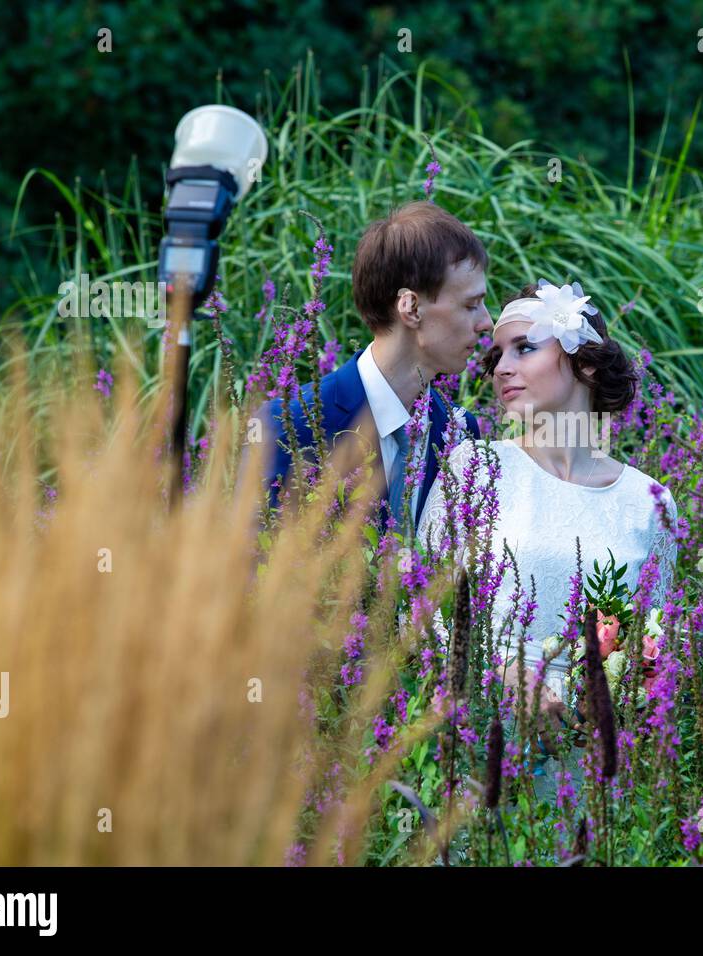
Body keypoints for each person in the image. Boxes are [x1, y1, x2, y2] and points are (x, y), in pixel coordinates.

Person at [418, 279, 677, 775]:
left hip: (592, 760)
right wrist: (500, 674)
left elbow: (652, 645)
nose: (502, 369)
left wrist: (626, 697)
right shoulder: (474, 466)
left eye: (525, 347)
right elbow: (419, 606)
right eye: (496, 355)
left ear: (584, 362)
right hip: (480, 737)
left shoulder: (649, 502)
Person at [254, 202, 494, 529]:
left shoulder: (460, 431)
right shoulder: (291, 426)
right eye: (471, 305)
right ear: (411, 308)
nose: (486, 322)